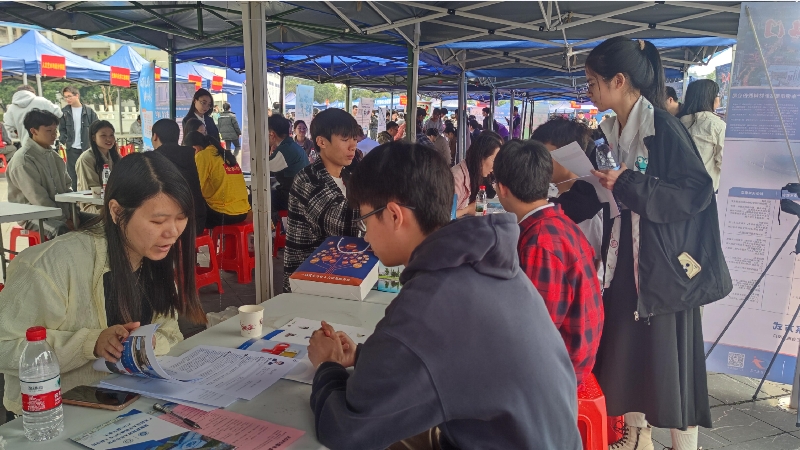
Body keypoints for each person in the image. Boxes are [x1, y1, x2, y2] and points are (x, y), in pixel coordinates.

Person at [308, 141, 582, 450]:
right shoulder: (488, 265)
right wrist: (363, 357)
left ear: (395, 215)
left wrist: (327, 365)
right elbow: (449, 358)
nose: (366, 235)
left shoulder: (429, 303)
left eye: (366, 220)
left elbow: (347, 430)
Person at [585, 37, 732, 450]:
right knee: (629, 358)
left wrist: (630, 183)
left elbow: (695, 191)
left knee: (673, 370)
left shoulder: (662, 126)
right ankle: (636, 438)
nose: (589, 90)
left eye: (594, 82)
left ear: (619, 80)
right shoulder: (610, 129)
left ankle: (684, 445)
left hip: (663, 270)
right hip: (625, 265)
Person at [0, 151, 205, 419]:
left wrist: (150, 345)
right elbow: (5, 345)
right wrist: (90, 343)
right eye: (157, 221)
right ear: (117, 211)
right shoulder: (51, 265)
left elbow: (171, 334)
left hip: (130, 405)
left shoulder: (154, 258)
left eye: (181, 217)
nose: (173, 231)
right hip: (54, 416)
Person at [493, 139, 604, 386]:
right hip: (573, 358)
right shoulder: (559, 222)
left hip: (558, 372)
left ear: (501, 189)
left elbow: (535, 332)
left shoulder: (540, 243)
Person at [283, 108, 360, 293]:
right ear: (321, 141)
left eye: (355, 139)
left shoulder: (349, 176)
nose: (353, 146)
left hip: (340, 273)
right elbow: (343, 224)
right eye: (345, 139)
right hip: (309, 280)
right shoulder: (308, 179)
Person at [531, 117, 604, 259]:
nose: (539, 162)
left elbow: (593, 263)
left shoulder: (587, 210)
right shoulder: (552, 193)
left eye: (544, 155)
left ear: (569, 154)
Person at [7, 109, 87, 239]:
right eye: (49, 131)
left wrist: (74, 213)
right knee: (61, 230)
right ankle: (60, 260)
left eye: (55, 130)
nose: (54, 135)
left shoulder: (54, 157)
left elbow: (67, 188)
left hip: (62, 211)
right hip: (33, 214)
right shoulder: (23, 160)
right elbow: (38, 198)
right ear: (33, 131)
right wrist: (64, 219)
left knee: (100, 221)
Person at [184, 132, 251, 229]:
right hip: (243, 212)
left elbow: (194, 188)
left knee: (188, 210)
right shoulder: (224, 154)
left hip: (223, 214)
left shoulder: (203, 155)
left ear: (195, 148)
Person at [151, 119, 206, 235]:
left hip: (175, 226)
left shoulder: (154, 160)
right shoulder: (190, 155)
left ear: (155, 136)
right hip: (198, 222)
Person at [678, 79, 726, 191]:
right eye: (718, 95)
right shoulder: (717, 125)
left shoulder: (678, 122)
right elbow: (724, 163)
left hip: (678, 191)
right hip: (705, 194)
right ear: (711, 98)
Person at [452, 132, 502, 217]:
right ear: (481, 156)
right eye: (495, 160)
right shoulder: (456, 179)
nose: (495, 167)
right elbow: (446, 217)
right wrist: (467, 210)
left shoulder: (475, 174)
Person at [76, 120, 121, 214]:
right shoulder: (87, 158)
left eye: (111, 135)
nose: (109, 139)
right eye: (103, 135)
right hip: (93, 205)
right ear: (93, 137)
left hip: (113, 202)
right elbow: (93, 189)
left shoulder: (116, 157)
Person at [59, 86, 99, 191]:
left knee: (89, 173)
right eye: (65, 97)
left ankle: (89, 195)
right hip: (72, 148)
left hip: (87, 147)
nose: (67, 99)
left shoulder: (89, 112)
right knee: (73, 175)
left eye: (69, 96)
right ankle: (76, 199)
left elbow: (97, 128)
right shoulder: (64, 112)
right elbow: (61, 129)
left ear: (77, 95)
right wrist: (65, 141)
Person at [268, 114, 310, 214]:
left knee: (255, 198)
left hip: (294, 198)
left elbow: (263, 170)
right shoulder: (291, 146)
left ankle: (269, 227)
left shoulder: (285, 150)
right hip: (302, 196)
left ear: (272, 134)